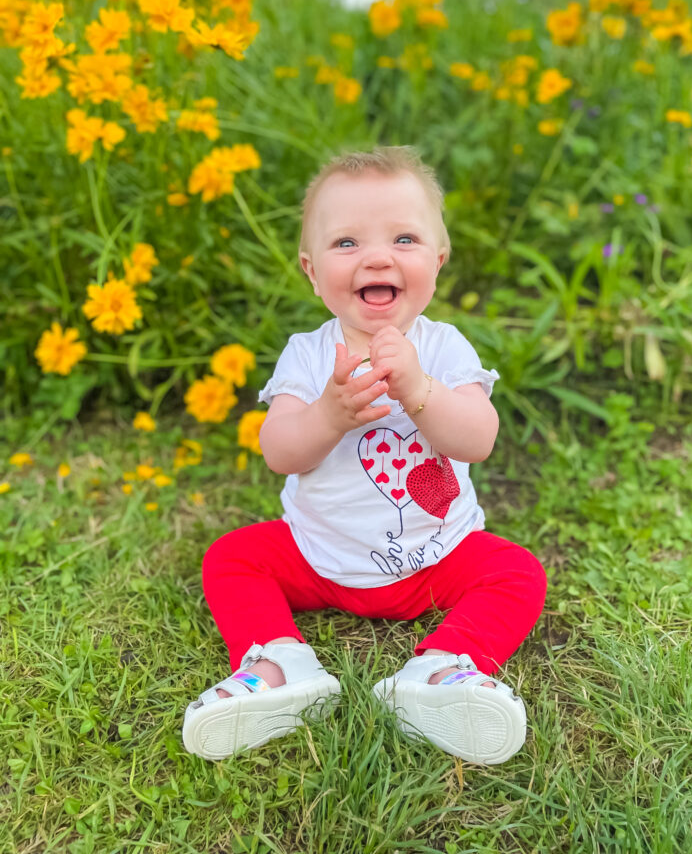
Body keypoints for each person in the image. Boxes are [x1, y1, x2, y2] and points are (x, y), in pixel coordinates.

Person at [182, 147, 547, 765]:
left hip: (438, 555)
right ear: (311, 270)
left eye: (403, 238)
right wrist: (329, 414)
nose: (377, 257)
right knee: (231, 559)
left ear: (438, 260)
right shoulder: (307, 355)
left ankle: (436, 673)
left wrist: (421, 391)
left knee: (517, 574)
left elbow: (477, 440)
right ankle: (281, 667)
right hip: (319, 554)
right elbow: (279, 452)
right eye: (347, 243)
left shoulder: (445, 348)